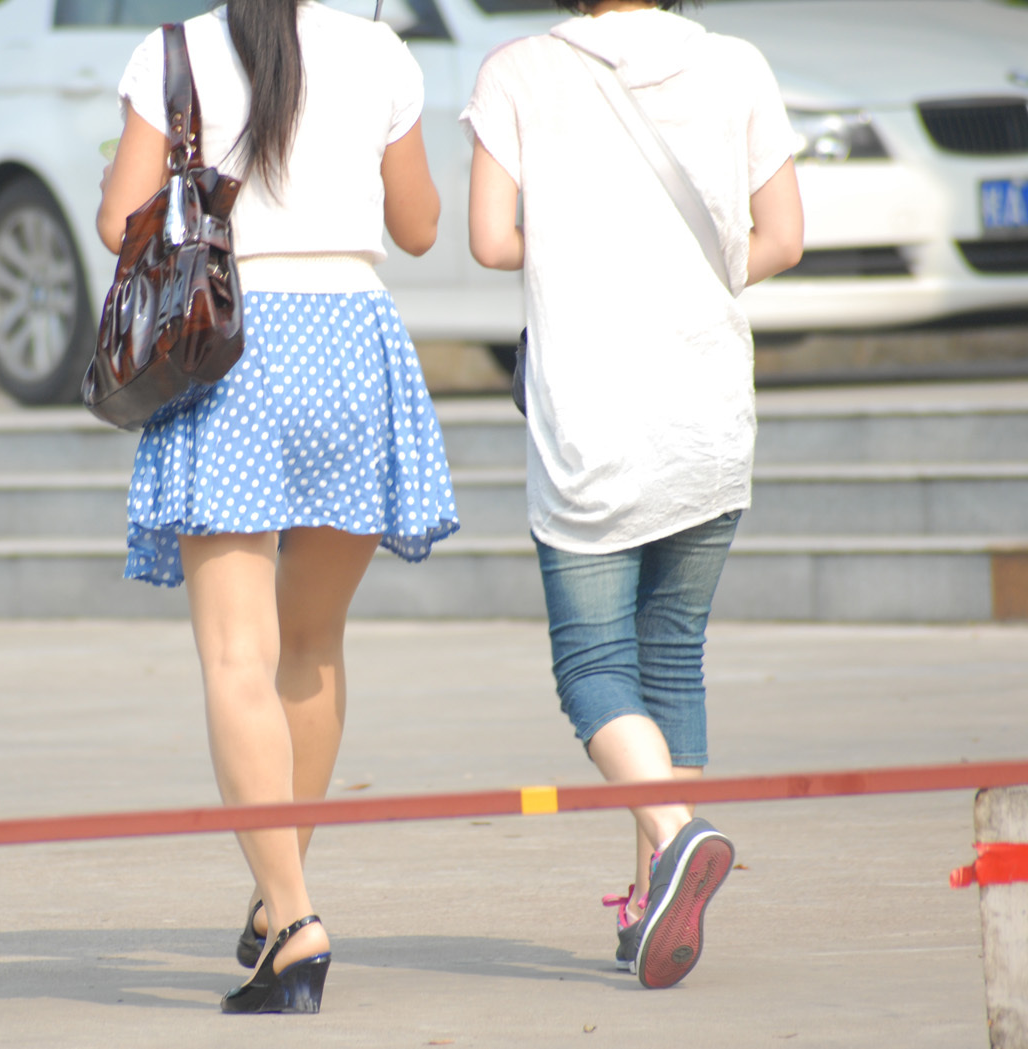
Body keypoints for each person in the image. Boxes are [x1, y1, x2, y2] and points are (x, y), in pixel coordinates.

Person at [96, 0, 459, 1015]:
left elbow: (119, 222)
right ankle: (277, 893)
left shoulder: (170, 52)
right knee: (313, 643)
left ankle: (294, 922)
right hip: (351, 341)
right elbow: (419, 228)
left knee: (234, 656)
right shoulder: (380, 50)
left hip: (231, 342)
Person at [462, 0, 804, 990]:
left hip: (591, 422)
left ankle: (676, 831)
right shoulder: (735, 62)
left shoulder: (516, 68)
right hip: (705, 410)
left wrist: (578, 250)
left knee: (592, 668)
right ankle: (655, 889)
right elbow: (780, 235)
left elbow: (490, 240)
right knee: (670, 659)